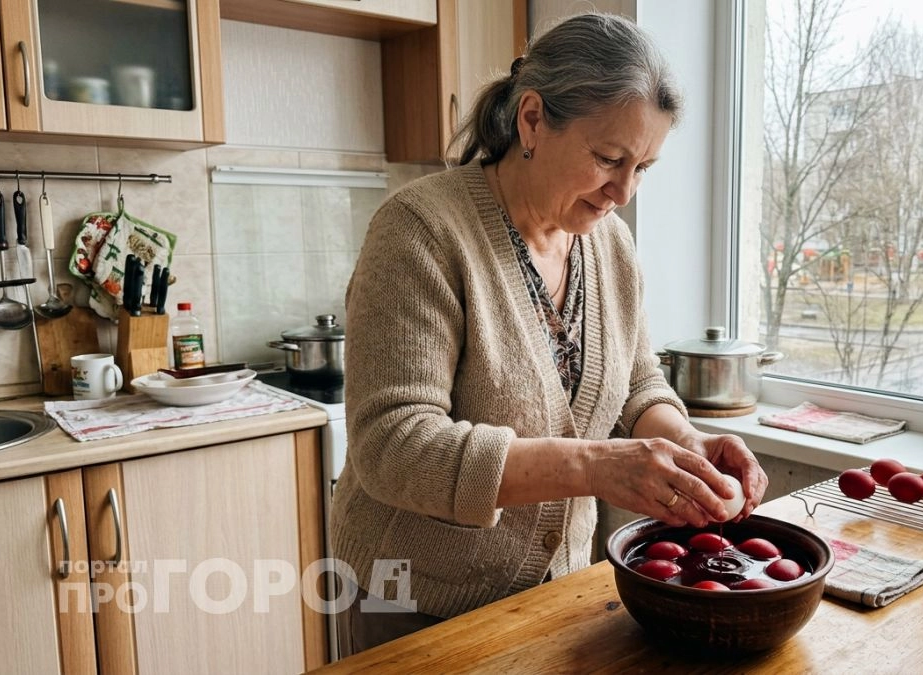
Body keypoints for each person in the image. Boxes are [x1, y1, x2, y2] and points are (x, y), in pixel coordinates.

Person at [329, 13, 768, 655]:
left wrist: (686, 445)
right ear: (532, 119)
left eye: (643, 168)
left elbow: (638, 384)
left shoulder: (608, 243)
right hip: (413, 600)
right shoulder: (420, 230)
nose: (623, 192)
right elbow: (393, 446)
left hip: (556, 592)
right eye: (608, 159)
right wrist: (596, 465)